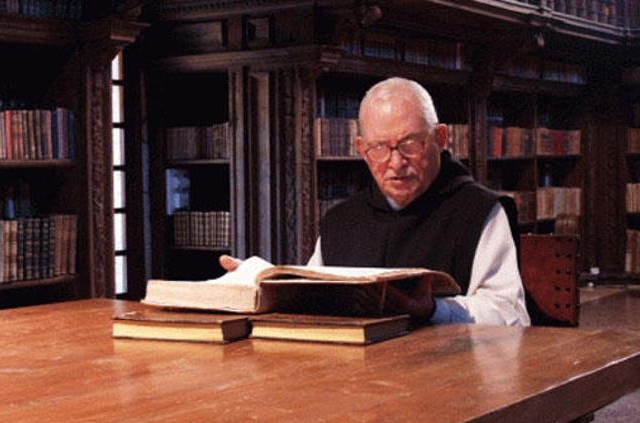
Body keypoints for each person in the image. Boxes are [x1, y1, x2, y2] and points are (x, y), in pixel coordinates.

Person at [222, 77, 529, 326]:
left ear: (441, 138)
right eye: (379, 147)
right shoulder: (341, 220)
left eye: (410, 144)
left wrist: (434, 309)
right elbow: (318, 295)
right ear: (360, 148)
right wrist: (263, 284)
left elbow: (513, 316)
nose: (396, 162)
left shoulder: (480, 211)